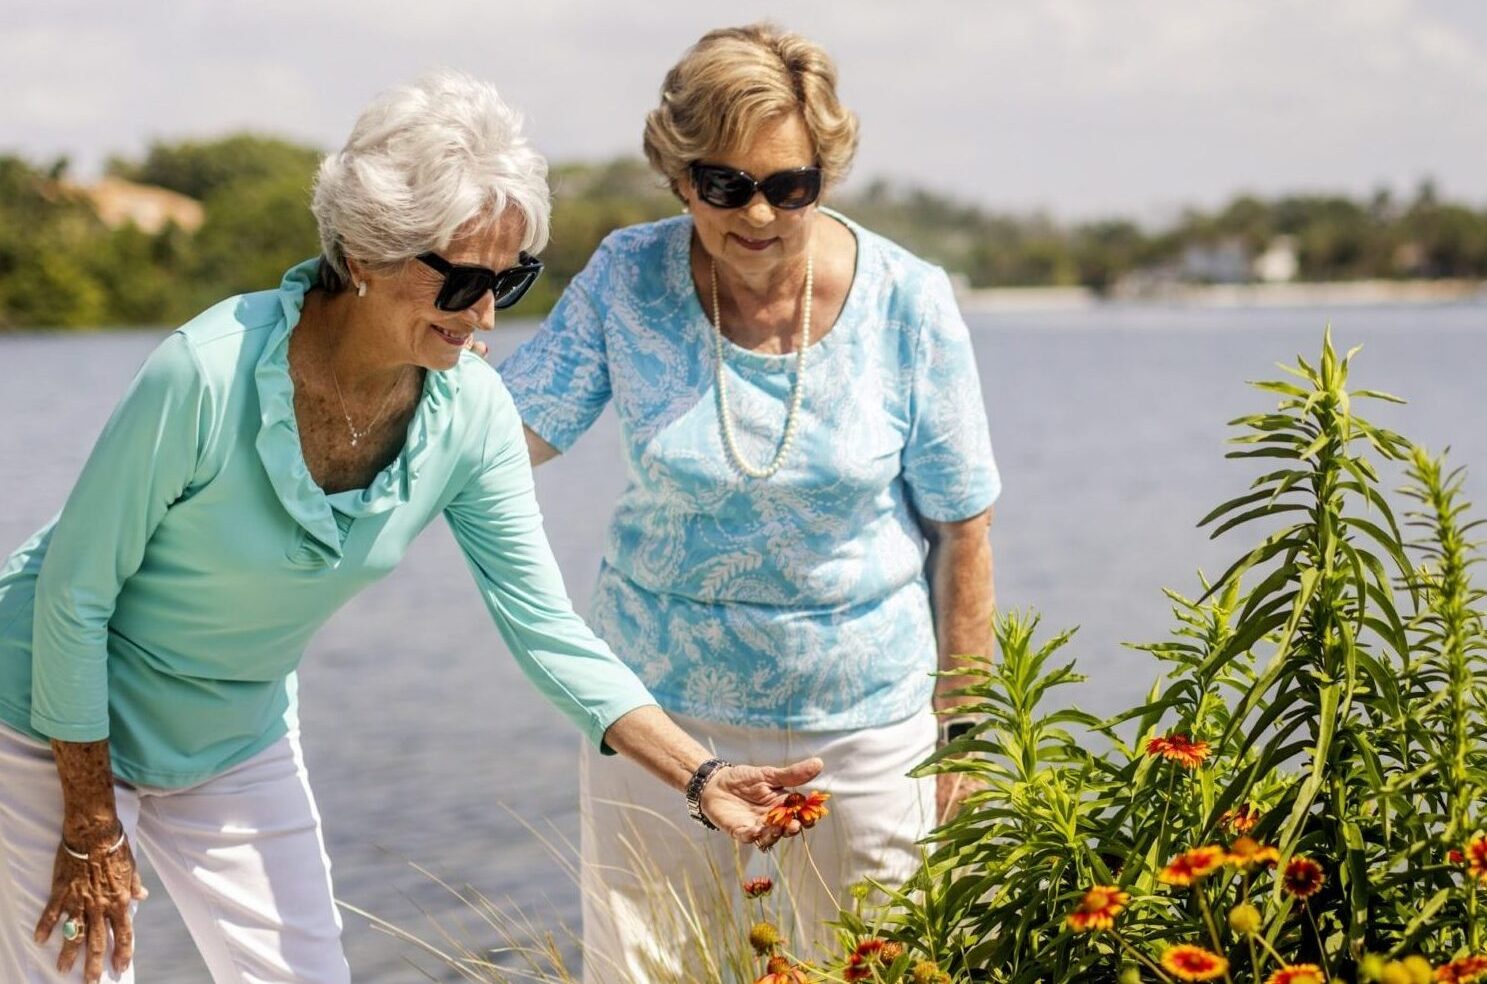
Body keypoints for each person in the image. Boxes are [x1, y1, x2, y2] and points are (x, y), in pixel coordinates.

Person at [0, 71, 821, 984]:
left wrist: (701, 778)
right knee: (73, 974)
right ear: (362, 252)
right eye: (460, 279)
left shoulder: (467, 414)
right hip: (49, 719)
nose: (481, 317)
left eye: (508, 281)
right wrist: (90, 823)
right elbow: (73, 600)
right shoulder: (203, 374)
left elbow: (546, 630)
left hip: (232, 731)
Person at [498, 22, 1001, 981]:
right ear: (679, 176)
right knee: (652, 970)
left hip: (863, 726)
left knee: (879, 967)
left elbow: (963, 525)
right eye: (725, 186)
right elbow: (507, 437)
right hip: (662, 729)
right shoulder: (627, 278)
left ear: (824, 173)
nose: (759, 214)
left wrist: (963, 734)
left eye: (790, 185)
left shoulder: (910, 300)